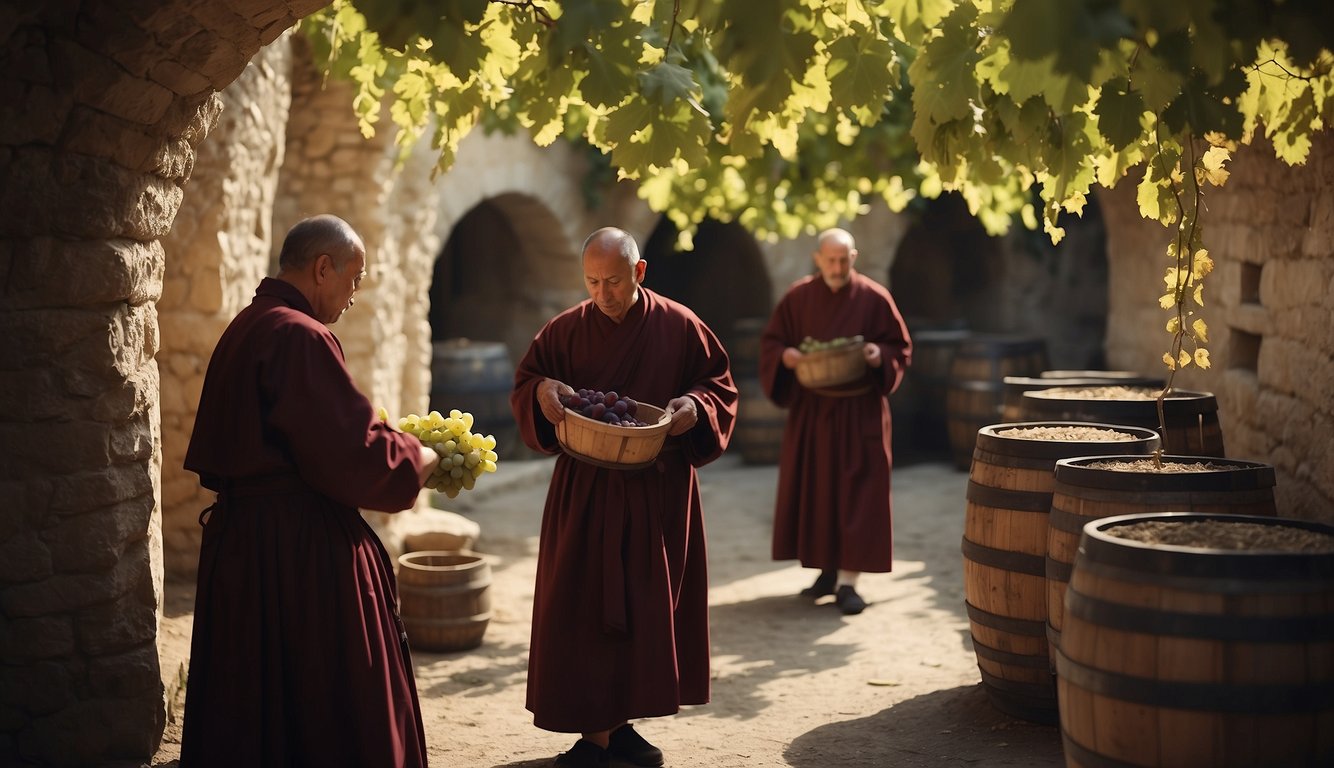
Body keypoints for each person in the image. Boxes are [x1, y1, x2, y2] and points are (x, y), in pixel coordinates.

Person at [180, 214, 439, 767]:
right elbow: (354, 452)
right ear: (323, 268)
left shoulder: (248, 323)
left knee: (258, 703)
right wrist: (416, 456)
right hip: (294, 552)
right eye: (354, 278)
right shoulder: (299, 334)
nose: (354, 296)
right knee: (325, 700)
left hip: (245, 546)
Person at [510, 227, 738, 768]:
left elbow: (720, 386)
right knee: (580, 605)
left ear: (639, 272)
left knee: (645, 607)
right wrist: (541, 392)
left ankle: (622, 727)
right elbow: (528, 382)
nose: (602, 293)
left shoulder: (681, 326)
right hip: (584, 492)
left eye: (613, 281)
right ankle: (595, 734)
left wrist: (694, 406)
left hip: (656, 489)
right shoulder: (564, 330)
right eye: (591, 282)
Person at [759, 227, 912, 615]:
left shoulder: (875, 299)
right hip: (813, 411)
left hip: (860, 411)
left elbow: (900, 348)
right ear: (818, 259)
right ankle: (826, 571)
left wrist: (880, 355)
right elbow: (772, 343)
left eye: (844, 260)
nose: (838, 267)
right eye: (831, 260)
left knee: (858, 494)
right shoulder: (798, 297)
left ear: (854, 258)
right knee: (818, 491)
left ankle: (849, 582)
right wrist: (786, 357)